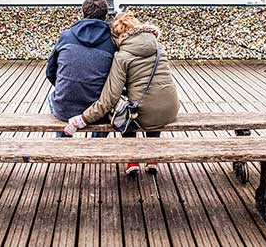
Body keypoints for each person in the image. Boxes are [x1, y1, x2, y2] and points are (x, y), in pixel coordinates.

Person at [63, 11, 179, 175]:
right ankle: (152, 158)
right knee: (154, 99)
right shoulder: (158, 47)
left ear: (118, 37)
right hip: (170, 108)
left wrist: (83, 118)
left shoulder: (122, 56)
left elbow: (110, 97)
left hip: (143, 114)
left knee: (125, 108)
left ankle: (132, 159)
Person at [46, 0, 116, 137]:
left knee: (52, 97)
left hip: (65, 108)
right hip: (97, 110)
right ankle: (97, 146)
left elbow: (50, 72)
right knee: (103, 110)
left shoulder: (66, 36)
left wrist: (67, 86)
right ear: (105, 15)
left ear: (82, 13)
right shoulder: (111, 42)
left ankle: (64, 141)